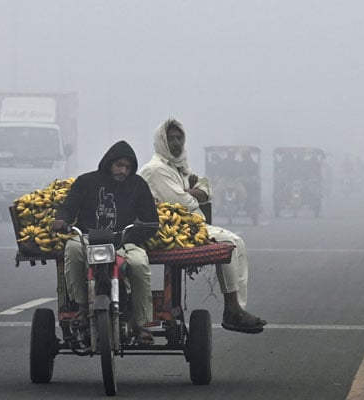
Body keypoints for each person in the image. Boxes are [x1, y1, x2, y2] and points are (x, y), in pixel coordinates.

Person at [139, 118, 267, 334]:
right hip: (168, 229)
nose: (177, 143)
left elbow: (206, 188)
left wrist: (193, 193)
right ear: (161, 141)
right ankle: (232, 309)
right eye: (171, 138)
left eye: (179, 138)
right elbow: (184, 203)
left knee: (239, 243)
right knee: (230, 243)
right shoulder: (155, 169)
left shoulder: (179, 167)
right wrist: (193, 194)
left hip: (190, 224)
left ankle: (236, 308)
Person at [52, 140, 160, 344]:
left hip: (123, 242)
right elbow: (68, 207)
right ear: (109, 162)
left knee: (139, 264)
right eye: (119, 165)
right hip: (87, 239)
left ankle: (141, 324)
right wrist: (62, 220)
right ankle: (82, 308)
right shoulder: (86, 182)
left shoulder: (138, 185)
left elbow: (151, 222)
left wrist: (131, 235)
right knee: (72, 248)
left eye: (128, 167)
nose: (123, 171)